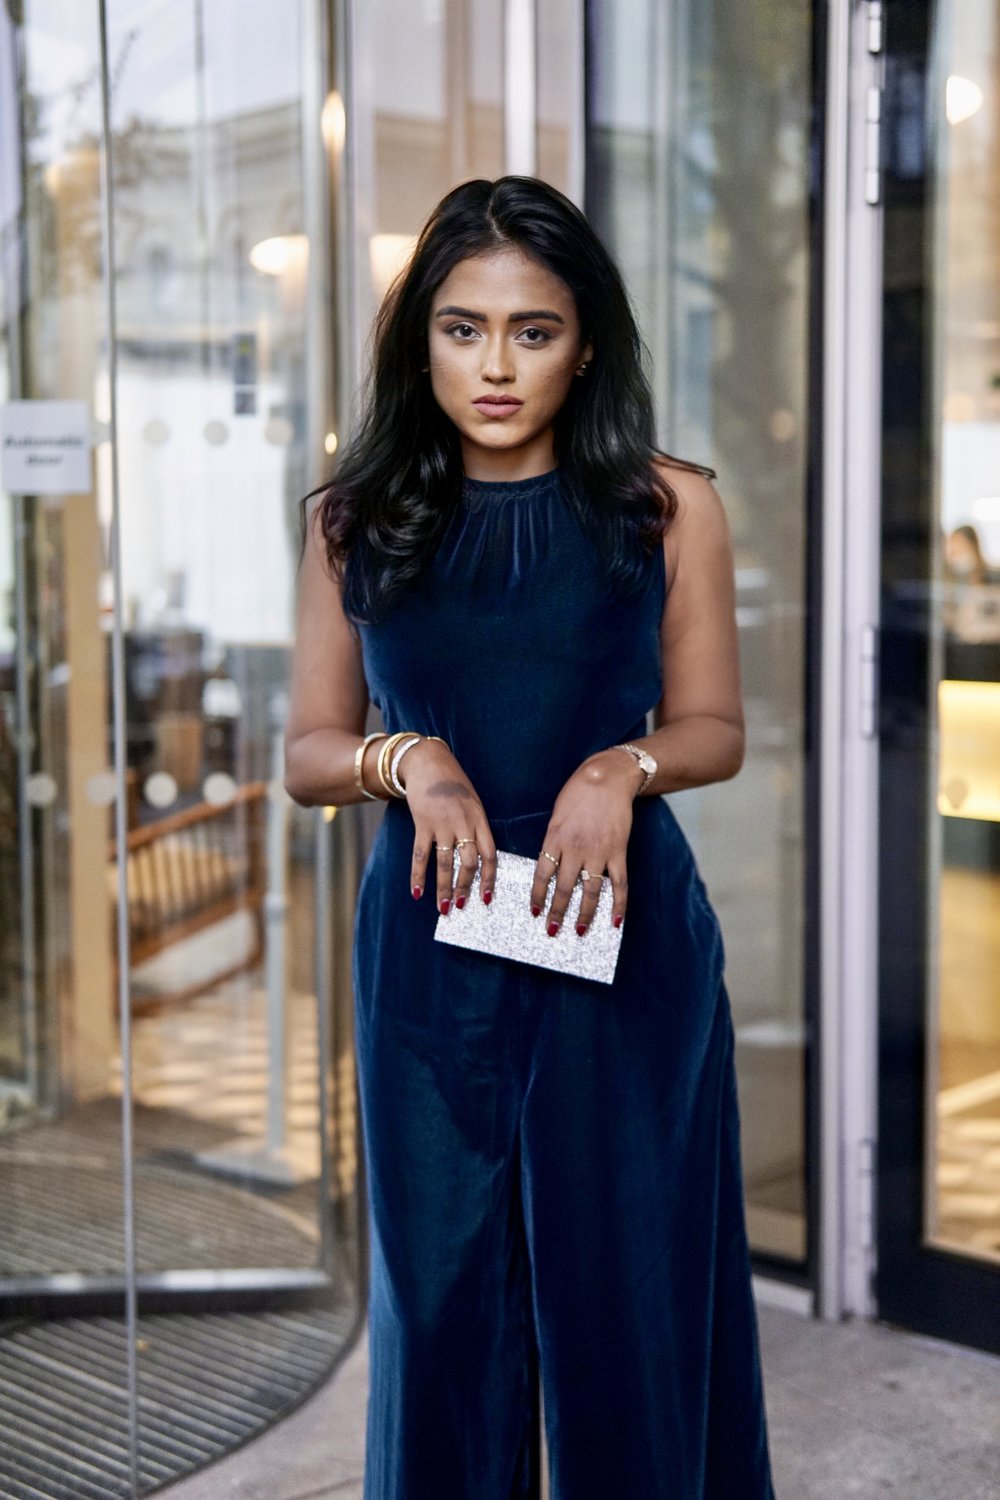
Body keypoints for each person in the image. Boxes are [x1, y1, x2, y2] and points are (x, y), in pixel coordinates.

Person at [284, 175, 776, 1500]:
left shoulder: (666, 507)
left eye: (533, 331)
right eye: (462, 329)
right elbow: (308, 753)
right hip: (430, 971)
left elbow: (716, 726)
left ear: (588, 342)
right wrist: (408, 758)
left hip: (618, 954)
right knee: (446, 1321)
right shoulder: (352, 518)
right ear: (418, 340)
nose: (495, 366)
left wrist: (623, 767)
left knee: (632, 1316)